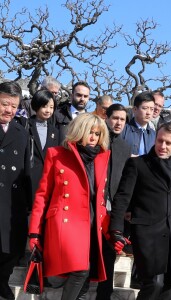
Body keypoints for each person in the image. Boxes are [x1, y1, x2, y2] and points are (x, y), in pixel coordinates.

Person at [28, 113, 110, 300]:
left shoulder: (101, 158)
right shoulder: (56, 154)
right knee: (81, 270)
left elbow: (100, 199)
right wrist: (34, 232)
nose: (93, 138)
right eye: (89, 132)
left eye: (97, 134)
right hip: (66, 223)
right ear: (78, 131)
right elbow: (42, 195)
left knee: (88, 276)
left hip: (91, 224)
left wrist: (109, 230)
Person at [110, 122, 171, 300]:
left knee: (170, 287)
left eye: (169, 143)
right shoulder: (138, 164)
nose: (163, 146)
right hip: (147, 234)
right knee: (154, 283)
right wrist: (116, 229)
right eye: (160, 141)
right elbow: (122, 197)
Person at [96, 103, 131, 300]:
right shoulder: (96, 140)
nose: (118, 123)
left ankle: (104, 294)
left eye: (122, 119)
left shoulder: (125, 147)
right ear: (106, 118)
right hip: (94, 204)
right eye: (115, 118)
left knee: (109, 253)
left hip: (114, 208)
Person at [0, 81, 32, 300]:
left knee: (8, 257)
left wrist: (29, 207)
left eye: (13, 106)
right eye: (4, 104)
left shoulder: (21, 132)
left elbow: (26, 171)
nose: (9, 110)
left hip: (12, 206)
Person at [27, 90, 59, 201]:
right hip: (28, 179)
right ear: (36, 105)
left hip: (48, 181)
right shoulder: (25, 126)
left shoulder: (55, 132)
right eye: (45, 106)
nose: (48, 110)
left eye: (51, 107)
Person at [121, 91, 155, 155]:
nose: (148, 113)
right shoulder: (123, 130)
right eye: (145, 108)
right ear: (135, 110)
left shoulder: (154, 135)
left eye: (152, 109)